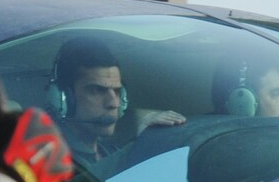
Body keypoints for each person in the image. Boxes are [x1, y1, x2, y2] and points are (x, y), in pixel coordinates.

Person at [49, 36, 186, 167]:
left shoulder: (110, 151)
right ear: (64, 98)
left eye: (117, 91)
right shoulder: (50, 159)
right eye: (97, 91)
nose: (114, 104)